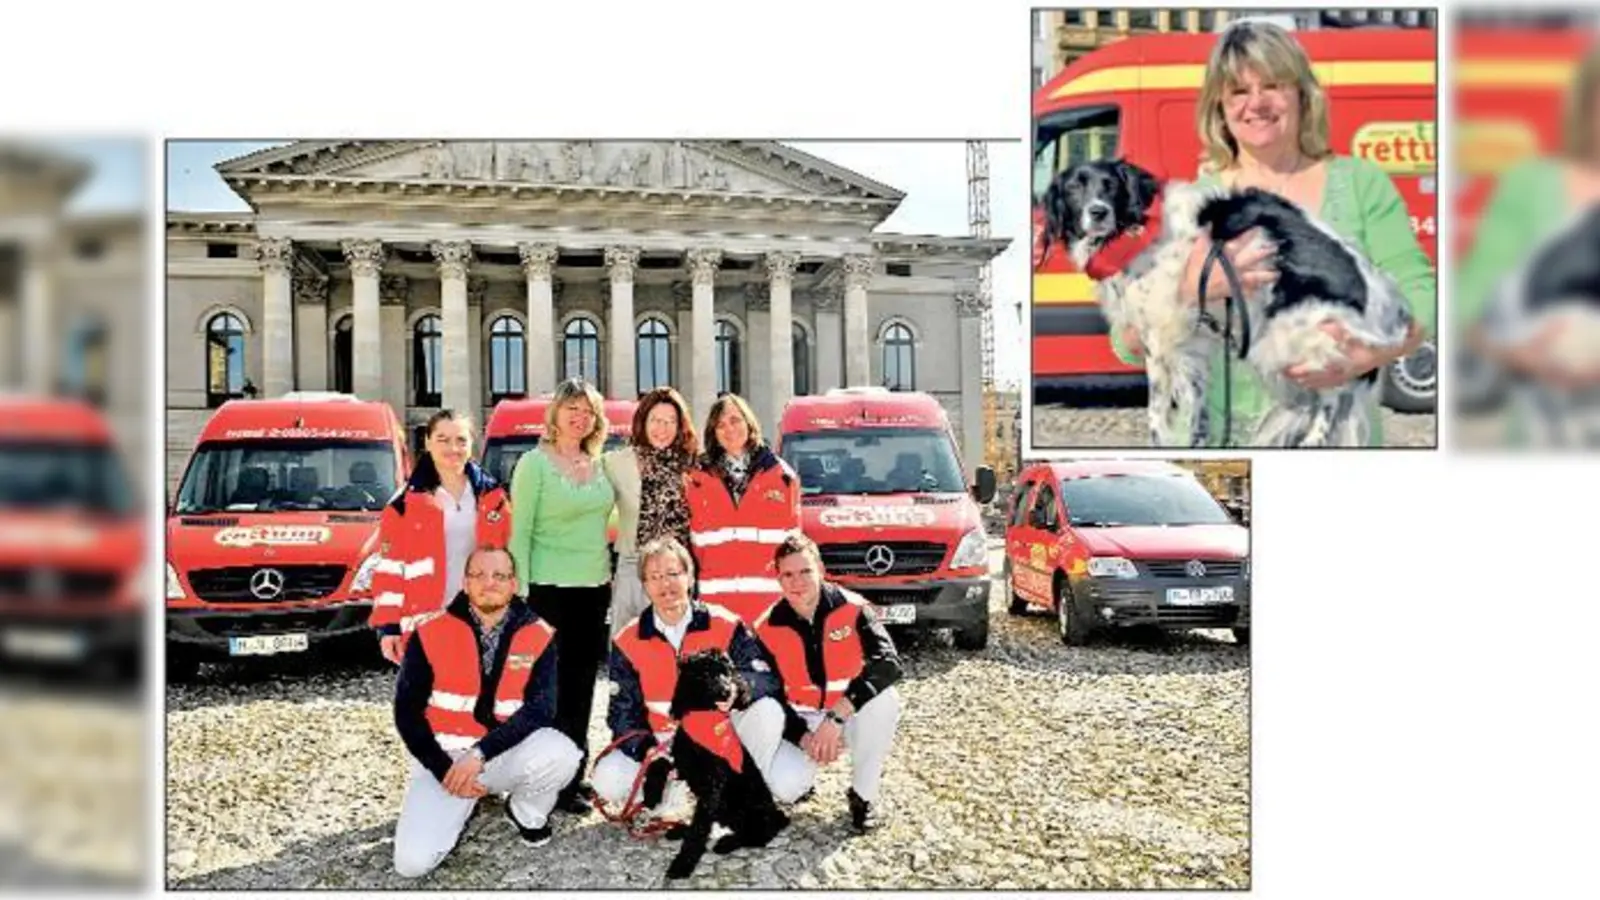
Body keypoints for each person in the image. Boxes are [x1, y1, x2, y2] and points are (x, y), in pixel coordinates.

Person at [1110, 19, 1436, 447]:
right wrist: (1187, 292)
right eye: (1239, 92)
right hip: (1222, 445)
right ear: (1219, 107)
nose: (1256, 104)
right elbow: (1127, 342)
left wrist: (1367, 355)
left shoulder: (1361, 183)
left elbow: (1421, 295)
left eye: (1273, 86)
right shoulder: (1188, 207)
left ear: (1301, 94)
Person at [390, 546, 581, 878]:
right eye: (478, 575)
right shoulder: (430, 631)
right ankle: (458, 808)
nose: (488, 583)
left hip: (499, 753)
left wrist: (480, 753)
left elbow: (541, 709)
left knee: (563, 753)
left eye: (499, 576)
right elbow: (406, 712)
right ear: (464, 583)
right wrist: (443, 771)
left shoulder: (539, 634)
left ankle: (525, 812)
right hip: (445, 760)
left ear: (513, 584)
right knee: (411, 866)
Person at [593, 536, 787, 822]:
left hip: (721, 737)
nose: (665, 585)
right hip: (663, 741)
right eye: (655, 577)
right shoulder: (627, 639)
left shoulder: (725, 623)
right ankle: (677, 786)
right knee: (607, 781)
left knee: (773, 727)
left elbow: (766, 678)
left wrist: (738, 688)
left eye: (673, 574)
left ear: (690, 577)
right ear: (644, 585)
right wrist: (649, 754)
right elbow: (622, 714)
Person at [1458, 42, 1600, 427]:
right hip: (1543, 424)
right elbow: (1469, 300)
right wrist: (1519, 352)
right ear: (1586, 108)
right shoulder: (1529, 186)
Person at [508, 377, 617, 814]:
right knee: (547, 690)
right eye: (572, 408)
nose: (580, 417)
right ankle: (540, 779)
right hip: (546, 592)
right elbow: (520, 534)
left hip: (592, 590)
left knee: (581, 687)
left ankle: (572, 776)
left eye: (588, 410)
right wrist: (519, 597)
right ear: (555, 414)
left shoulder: (603, 465)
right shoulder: (533, 464)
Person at [752, 532, 903, 834]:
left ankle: (864, 796)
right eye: (788, 575)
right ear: (778, 579)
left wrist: (836, 718)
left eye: (806, 571)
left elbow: (889, 664)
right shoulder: (765, 627)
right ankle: (802, 781)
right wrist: (803, 737)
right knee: (786, 788)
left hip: (846, 716)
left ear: (820, 569)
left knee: (885, 700)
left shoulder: (853, 607)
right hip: (802, 722)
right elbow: (768, 696)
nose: (797, 582)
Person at [370, 409, 511, 662]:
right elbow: (390, 569)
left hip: (482, 618)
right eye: (443, 439)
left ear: (471, 445)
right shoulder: (404, 503)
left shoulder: (493, 498)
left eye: (461, 440)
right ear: (427, 442)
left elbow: (508, 556)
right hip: (426, 620)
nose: (453, 448)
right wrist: (388, 627)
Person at [684, 393, 800, 626]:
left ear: (749, 423)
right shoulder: (696, 478)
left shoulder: (782, 476)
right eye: (720, 425)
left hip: (770, 610)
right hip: (715, 610)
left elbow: (795, 548)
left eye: (735, 420)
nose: (729, 429)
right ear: (713, 433)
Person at [600, 387, 700, 640]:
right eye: (655, 420)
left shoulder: (694, 465)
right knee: (627, 642)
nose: (662, 428)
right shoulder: (617, 462)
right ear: (642, 422)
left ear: (680, 426)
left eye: (670, 422)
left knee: (674, 643)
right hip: (633, 566)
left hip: (677, 571)